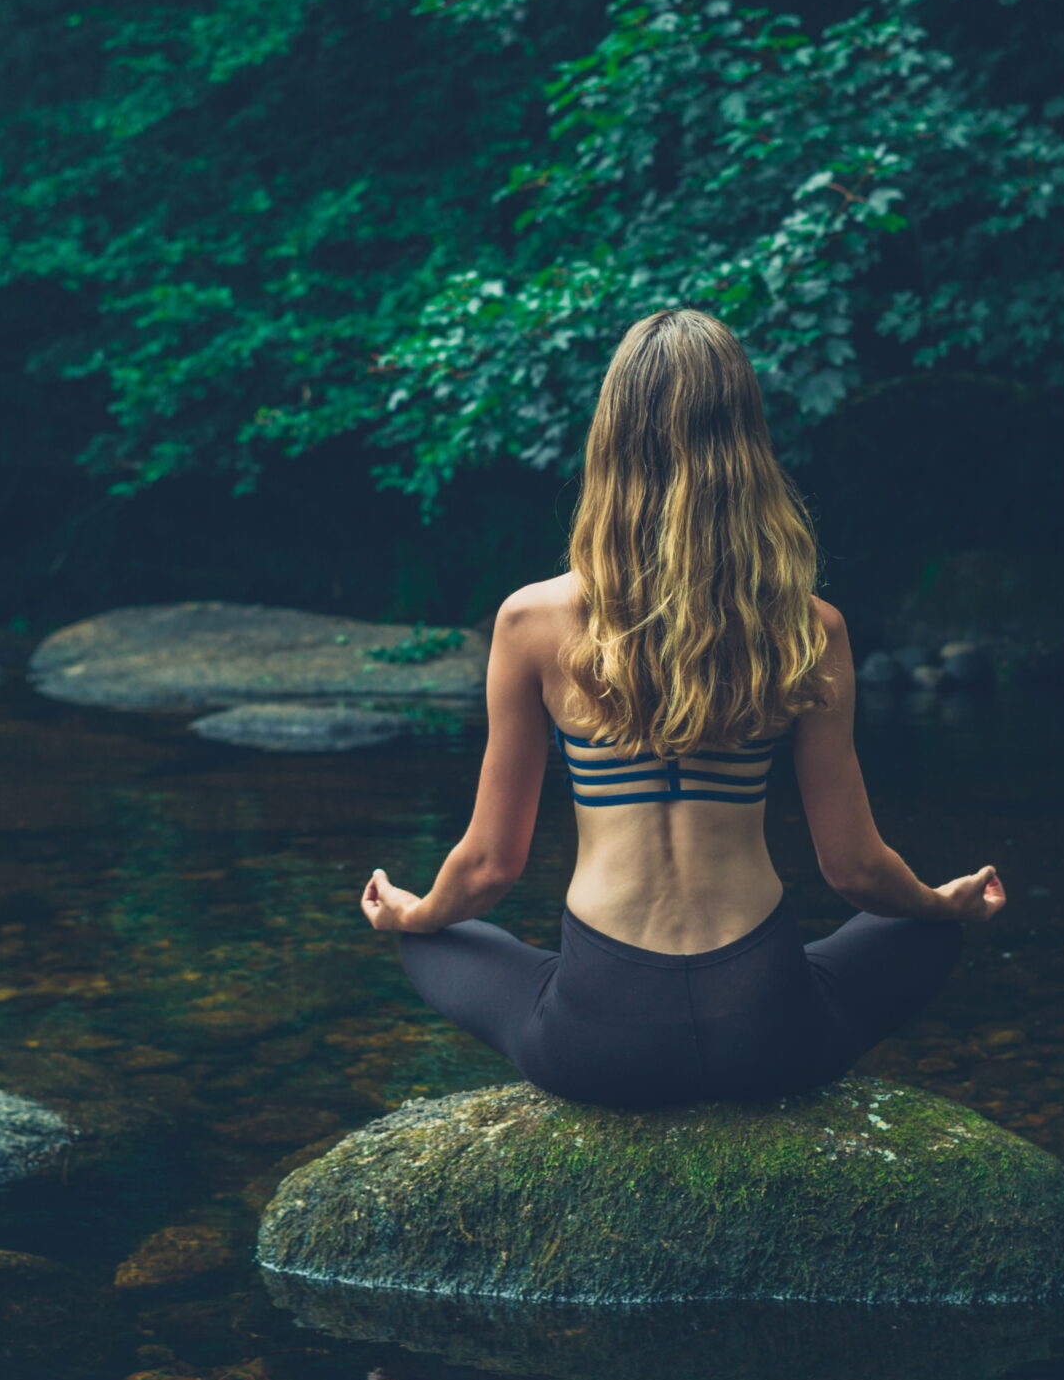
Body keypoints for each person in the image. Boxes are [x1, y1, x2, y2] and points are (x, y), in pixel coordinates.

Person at [358, 308, 1007, 1108]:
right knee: (928, 930)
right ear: (746, 447)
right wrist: (939, 901)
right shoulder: (809, 626)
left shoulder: (529, 621)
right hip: (766, 1030)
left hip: (596, 1039)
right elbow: (854, 869)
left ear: (610, 442)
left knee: (435, 939)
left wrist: (414, 915)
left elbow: (492, 866)